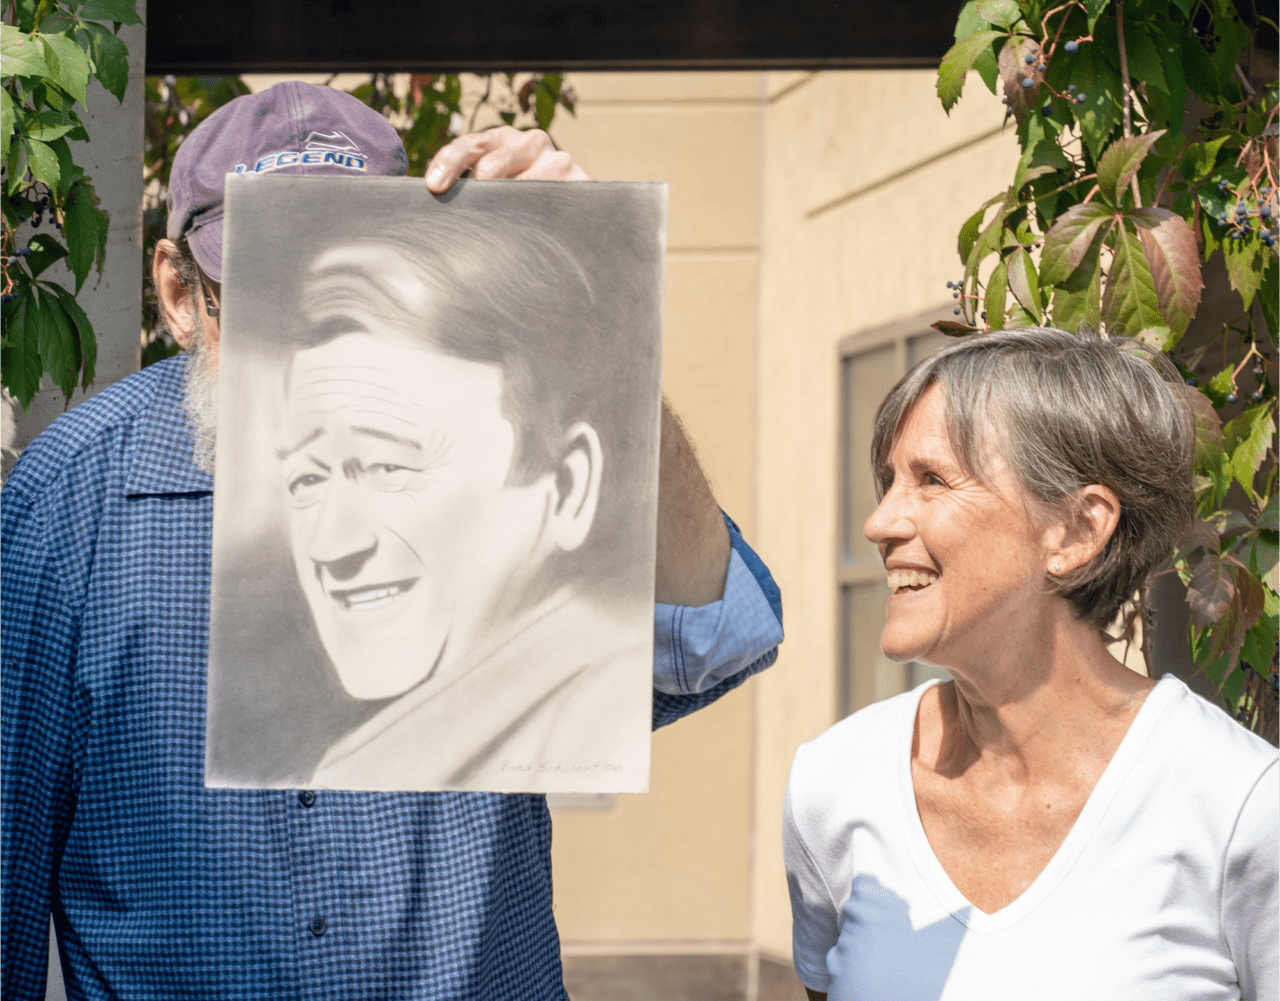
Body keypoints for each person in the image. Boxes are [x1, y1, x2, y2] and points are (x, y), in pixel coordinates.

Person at [0, 82, 785, 998]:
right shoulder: (73, 500)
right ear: (180, 294)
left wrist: (600, 324)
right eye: (265, 296)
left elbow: (711, 635)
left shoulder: (487, 447)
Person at [784, 328, 1277, 1001]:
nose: (879, 522)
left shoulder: (1238, 805)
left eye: (932, 479)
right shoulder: (834, 782)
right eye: (890, 480)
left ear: (1075, 530)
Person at [213, 202, 663, 791]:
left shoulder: (598, 704)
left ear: (568, 487)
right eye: (307, 478)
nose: (331, 545)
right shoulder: (398, 745)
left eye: (387, 465)